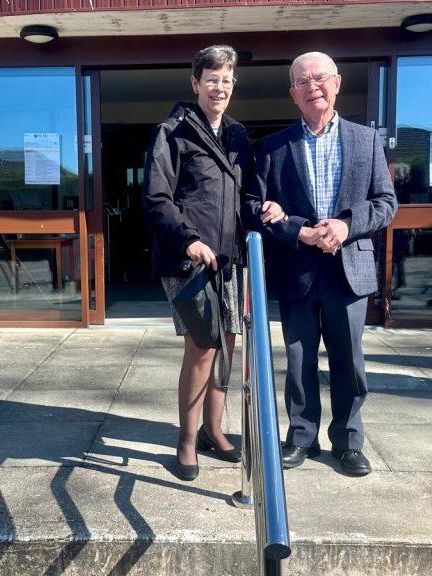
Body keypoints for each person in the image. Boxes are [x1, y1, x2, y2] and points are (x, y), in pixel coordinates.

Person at [243, 51, 398, 476]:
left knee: (349, 361)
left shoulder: (366, 140)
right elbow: (253, 207)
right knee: (298, 362)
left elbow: (386, 203)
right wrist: (299, 231)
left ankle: (348, 441)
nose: (313, 87)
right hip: (297, 271)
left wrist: (346, 226)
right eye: (302, 82)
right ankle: (301, 437)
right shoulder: (273, 147)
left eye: (320, 78)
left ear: (337, 83)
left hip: (348, 271)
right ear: (292, 94)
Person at [143, 45, 285, 481]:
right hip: (188, 260)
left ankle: (213, 429)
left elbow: (246, 195)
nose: (219, 87)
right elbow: (156, 198)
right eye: (211, 79)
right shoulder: (172, 132)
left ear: (233, 84)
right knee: (202, 347)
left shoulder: (237, 135)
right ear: (195, 83)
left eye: (226, 80)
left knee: (227, 345)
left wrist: (268, 206)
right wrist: (188, 240)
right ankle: (187, 440)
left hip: (229, 259)